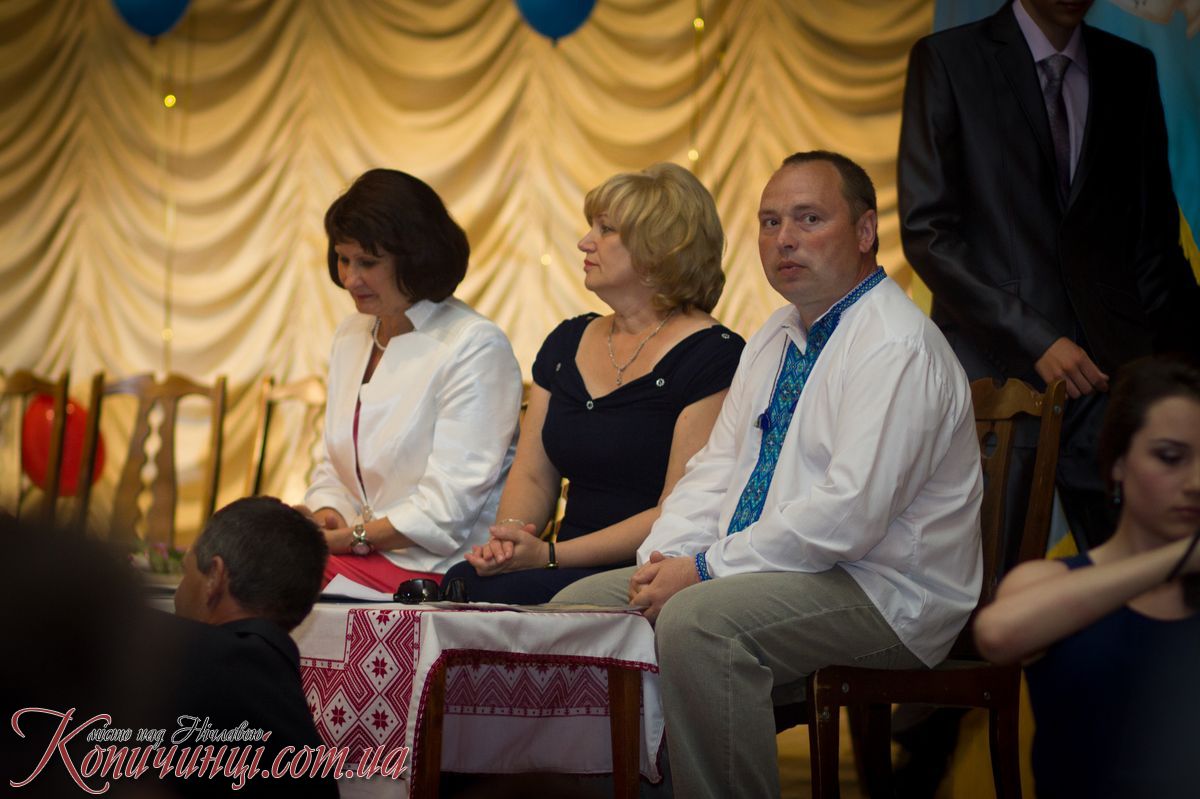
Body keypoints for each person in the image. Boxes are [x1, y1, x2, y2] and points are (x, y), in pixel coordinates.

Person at [555, 151, 984, 798]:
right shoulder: (777, 333)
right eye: (769, 221)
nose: (784, 238)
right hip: (779, 571)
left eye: (809, 219)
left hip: (885, 590)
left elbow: (847, 516)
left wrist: (704, 569)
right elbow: (714, 470)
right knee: (577, 612)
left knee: (698, 624)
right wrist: (664, 558)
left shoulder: (894, 344)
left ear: (865, 231)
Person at [898, 0, 1200, 554]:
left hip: (1113, 375)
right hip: (996, 371)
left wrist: (1178, 366)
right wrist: (1036, 339)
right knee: (992, 579)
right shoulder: (948, 59)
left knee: (1146, 572)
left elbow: (1154, 242)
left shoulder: (1130, 67)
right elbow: (928, 233)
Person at [443, 162, 744, 604]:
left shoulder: (714, 355)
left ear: (659, 247)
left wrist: (549, 556)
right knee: (463, 580)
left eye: (606, 229)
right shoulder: (567, 341)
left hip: (646, 569)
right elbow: (532, 474)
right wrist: (509, 539)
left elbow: (677, 509)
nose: (585, 242)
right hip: (556, 560)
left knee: (498, 594)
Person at [975, 356, 1200, 799]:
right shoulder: (1047, 582)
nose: (1195, 482)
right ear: (1118, 463)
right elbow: (997, 635)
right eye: (1170, 457)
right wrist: (1178, 559)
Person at [298, 169, 523, 593]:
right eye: (343, 259)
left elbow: (445, 511)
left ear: (416, 257)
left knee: (269, 572)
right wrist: (329, 514)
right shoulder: (351, 334)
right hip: (361, 556)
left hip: (442, 569)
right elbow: (334, 467)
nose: (350, 279)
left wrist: (348, 539)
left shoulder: (474, 345)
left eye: (367, 262)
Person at [166, 496, 339, 797]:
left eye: (185, 571)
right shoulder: (285, 697)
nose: (177, 595)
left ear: (215, 577)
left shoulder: (177, 662)